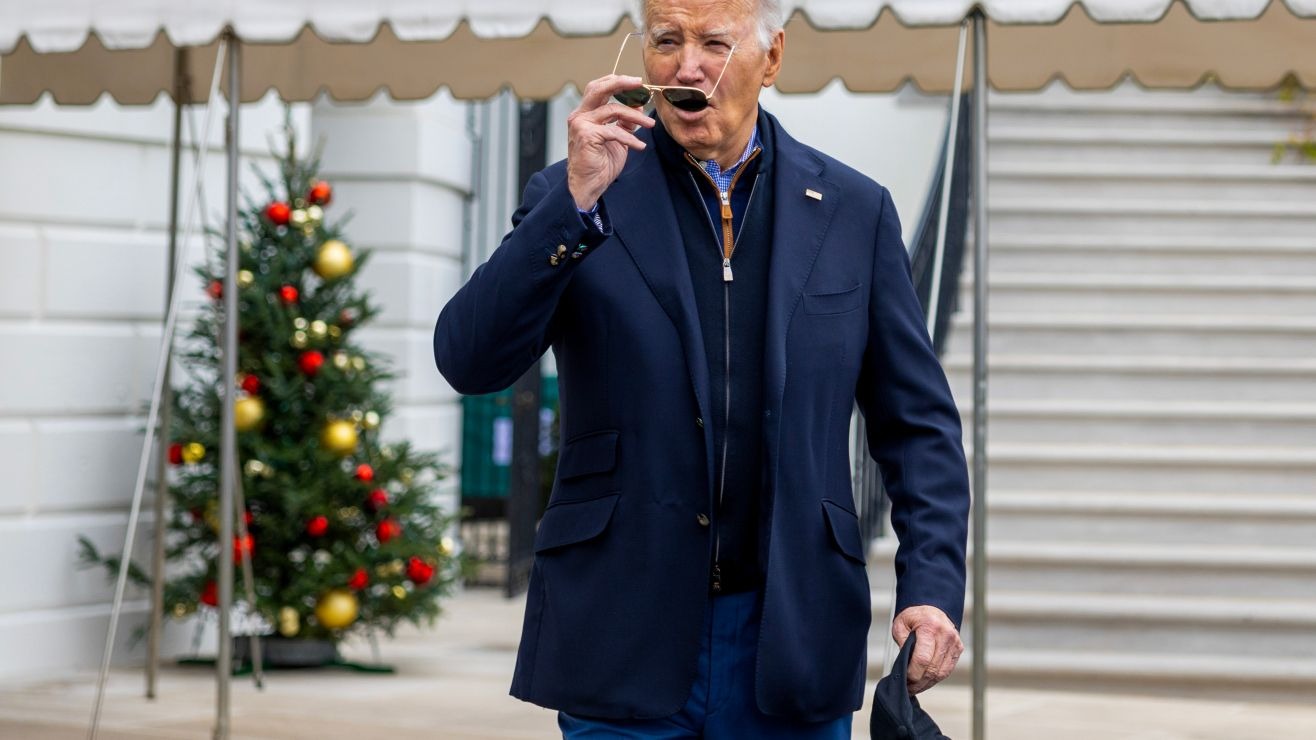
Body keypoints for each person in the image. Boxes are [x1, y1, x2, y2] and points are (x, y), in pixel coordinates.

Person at [433, 0, 970, 736]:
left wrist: (933, 587)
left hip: (790, 635)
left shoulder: (854, 210)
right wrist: (572, 202)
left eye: (714, 42)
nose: (688, 65)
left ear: (771, 58)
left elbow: (919, 428)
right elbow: (469, 359)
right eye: (666, 41)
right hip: (620, 631)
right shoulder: (581, 193)